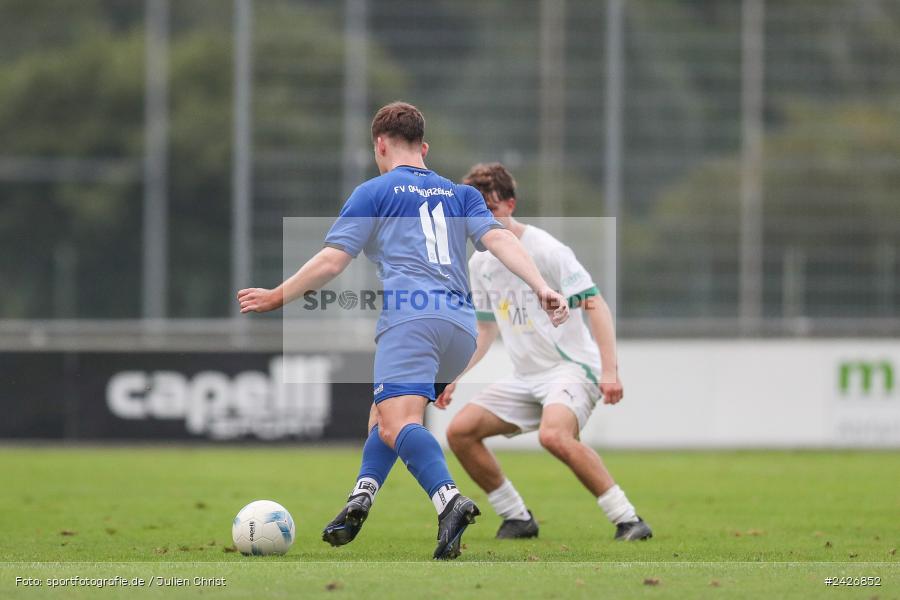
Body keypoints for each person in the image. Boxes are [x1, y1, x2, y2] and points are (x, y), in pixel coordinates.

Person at [237, 103, 570, 559]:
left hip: (412, 322)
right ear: (423, 148)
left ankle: (449, 500)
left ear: (380, 145)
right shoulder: (461, 194)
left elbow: (332, 260)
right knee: (384, 414)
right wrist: (542, 286)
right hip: (460, 330)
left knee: (398, 422)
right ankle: (362, 494)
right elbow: (499, 239)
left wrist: (278, 296)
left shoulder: (373, 192)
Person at [438, 162, 652, 542]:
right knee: (460, 432)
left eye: (491, 209)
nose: (483, 220)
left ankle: (629, 519)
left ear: (511, 204)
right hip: (526, 378)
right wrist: (454, 376)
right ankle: (517, 517)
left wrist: (609, 371)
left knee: (553, 436)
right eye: (475, 213)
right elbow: (485, 330)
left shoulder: (546, 249)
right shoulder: (479, 262)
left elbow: (596, 304)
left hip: (571, 369)